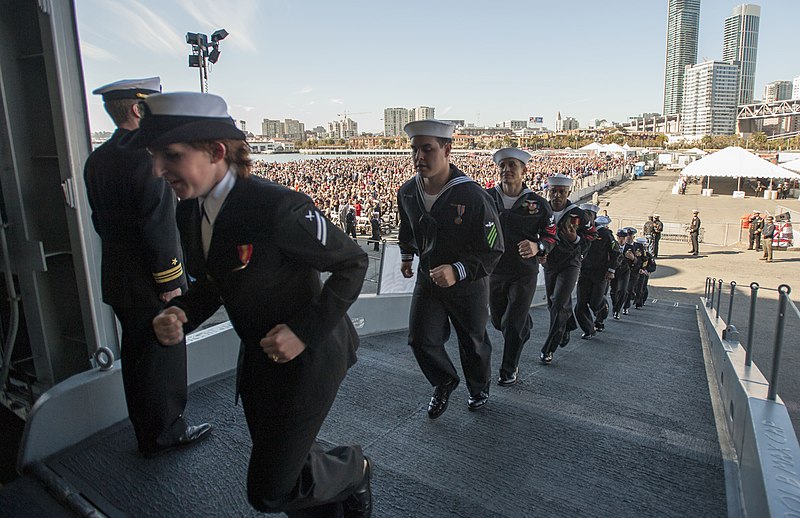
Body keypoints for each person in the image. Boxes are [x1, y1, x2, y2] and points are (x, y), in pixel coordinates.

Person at [133, 92, 371, 517]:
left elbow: (352, 262)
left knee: (268, 491)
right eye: (155, 156)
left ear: (217, 152)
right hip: (261, 359)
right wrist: (183, 312)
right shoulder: (189, 210)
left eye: (170, 155)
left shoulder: (277, 206)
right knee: (286, 461)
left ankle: (356, 469)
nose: (157, 170)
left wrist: (302, 332)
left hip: (310, 358)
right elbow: (213, 283)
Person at [83, 77, 210, 458]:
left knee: (136, 357)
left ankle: (146, 427)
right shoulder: (148, 157)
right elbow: (158, 224)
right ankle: (167, 430)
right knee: (162, 355)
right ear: (139, 109)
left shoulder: (97, 158)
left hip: (119, 277)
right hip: (151, 281)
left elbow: (100, 221)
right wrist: (170, 280)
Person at [397, 119, 504, 416]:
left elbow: (493, 248)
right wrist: (407, 256)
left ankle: (479, 388)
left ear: (447, 149)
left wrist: (457, 270)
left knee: (473, 342)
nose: (419, 157)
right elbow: (407, 228)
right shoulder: (408, 191)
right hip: (428, 280)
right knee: (420, 340)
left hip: (468, 285)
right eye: (415, 150)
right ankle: (444, 381)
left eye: (427, 149)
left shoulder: (473, 196)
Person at [486, 148, 556, 386]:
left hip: (523, 272)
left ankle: (508, 369)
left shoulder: (538, 204)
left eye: (512, 165)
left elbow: (551, 235)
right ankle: (524, 324)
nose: (506, 170)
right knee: (498, 321)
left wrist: (539, 247)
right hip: (494, 271)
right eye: (502, 166)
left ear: (524, 171)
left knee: (513, 325)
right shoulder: (486, 198)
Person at [539, 174, 595, 364]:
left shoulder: (579, 215)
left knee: (559, 303)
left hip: (570, 264)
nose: (557, 195)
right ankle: (568, 323)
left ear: (568, 193)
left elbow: (590, 237)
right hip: (549, 263)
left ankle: (549, 348)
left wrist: (576, 240)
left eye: (561, 192)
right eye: (553, 191)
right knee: (552, 304)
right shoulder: (541, 209)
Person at [575, 208, 618, 338]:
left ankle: (603, 305)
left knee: (595, 303)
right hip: (584, 271)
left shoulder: (604, 233)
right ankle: (589, 329)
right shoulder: (581, 232)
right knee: (580, 305)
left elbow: (615, 251)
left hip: (600, 273)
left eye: (588, 215)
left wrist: (611, 270)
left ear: (593, 217)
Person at [610, 228, 634, 320]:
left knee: (623, 291)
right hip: (614, 270)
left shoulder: (630, 247)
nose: (621, 239)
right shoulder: (613, 245)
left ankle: (617, 310)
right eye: (619, 237)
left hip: (625, 271)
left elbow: (636, 261)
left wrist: (633, 258)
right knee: (614, 291)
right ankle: (615, 306)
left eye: (623, 237)